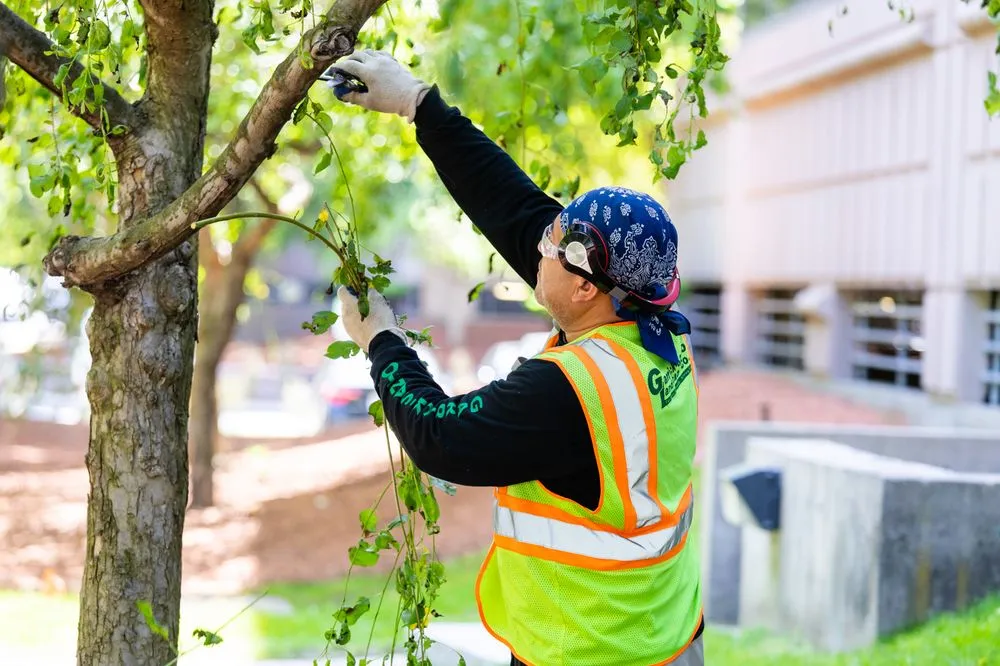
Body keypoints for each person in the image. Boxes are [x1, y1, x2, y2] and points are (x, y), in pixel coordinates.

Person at [328, 50, 704, 666]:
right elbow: (519, 210)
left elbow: (438, 437)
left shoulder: (565, 392)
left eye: (554, 245)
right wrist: (420, 105)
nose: (541, 243)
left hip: (592, 648)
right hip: (668, 635)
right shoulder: (652, 328)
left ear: (585, 288)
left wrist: (381, 341)